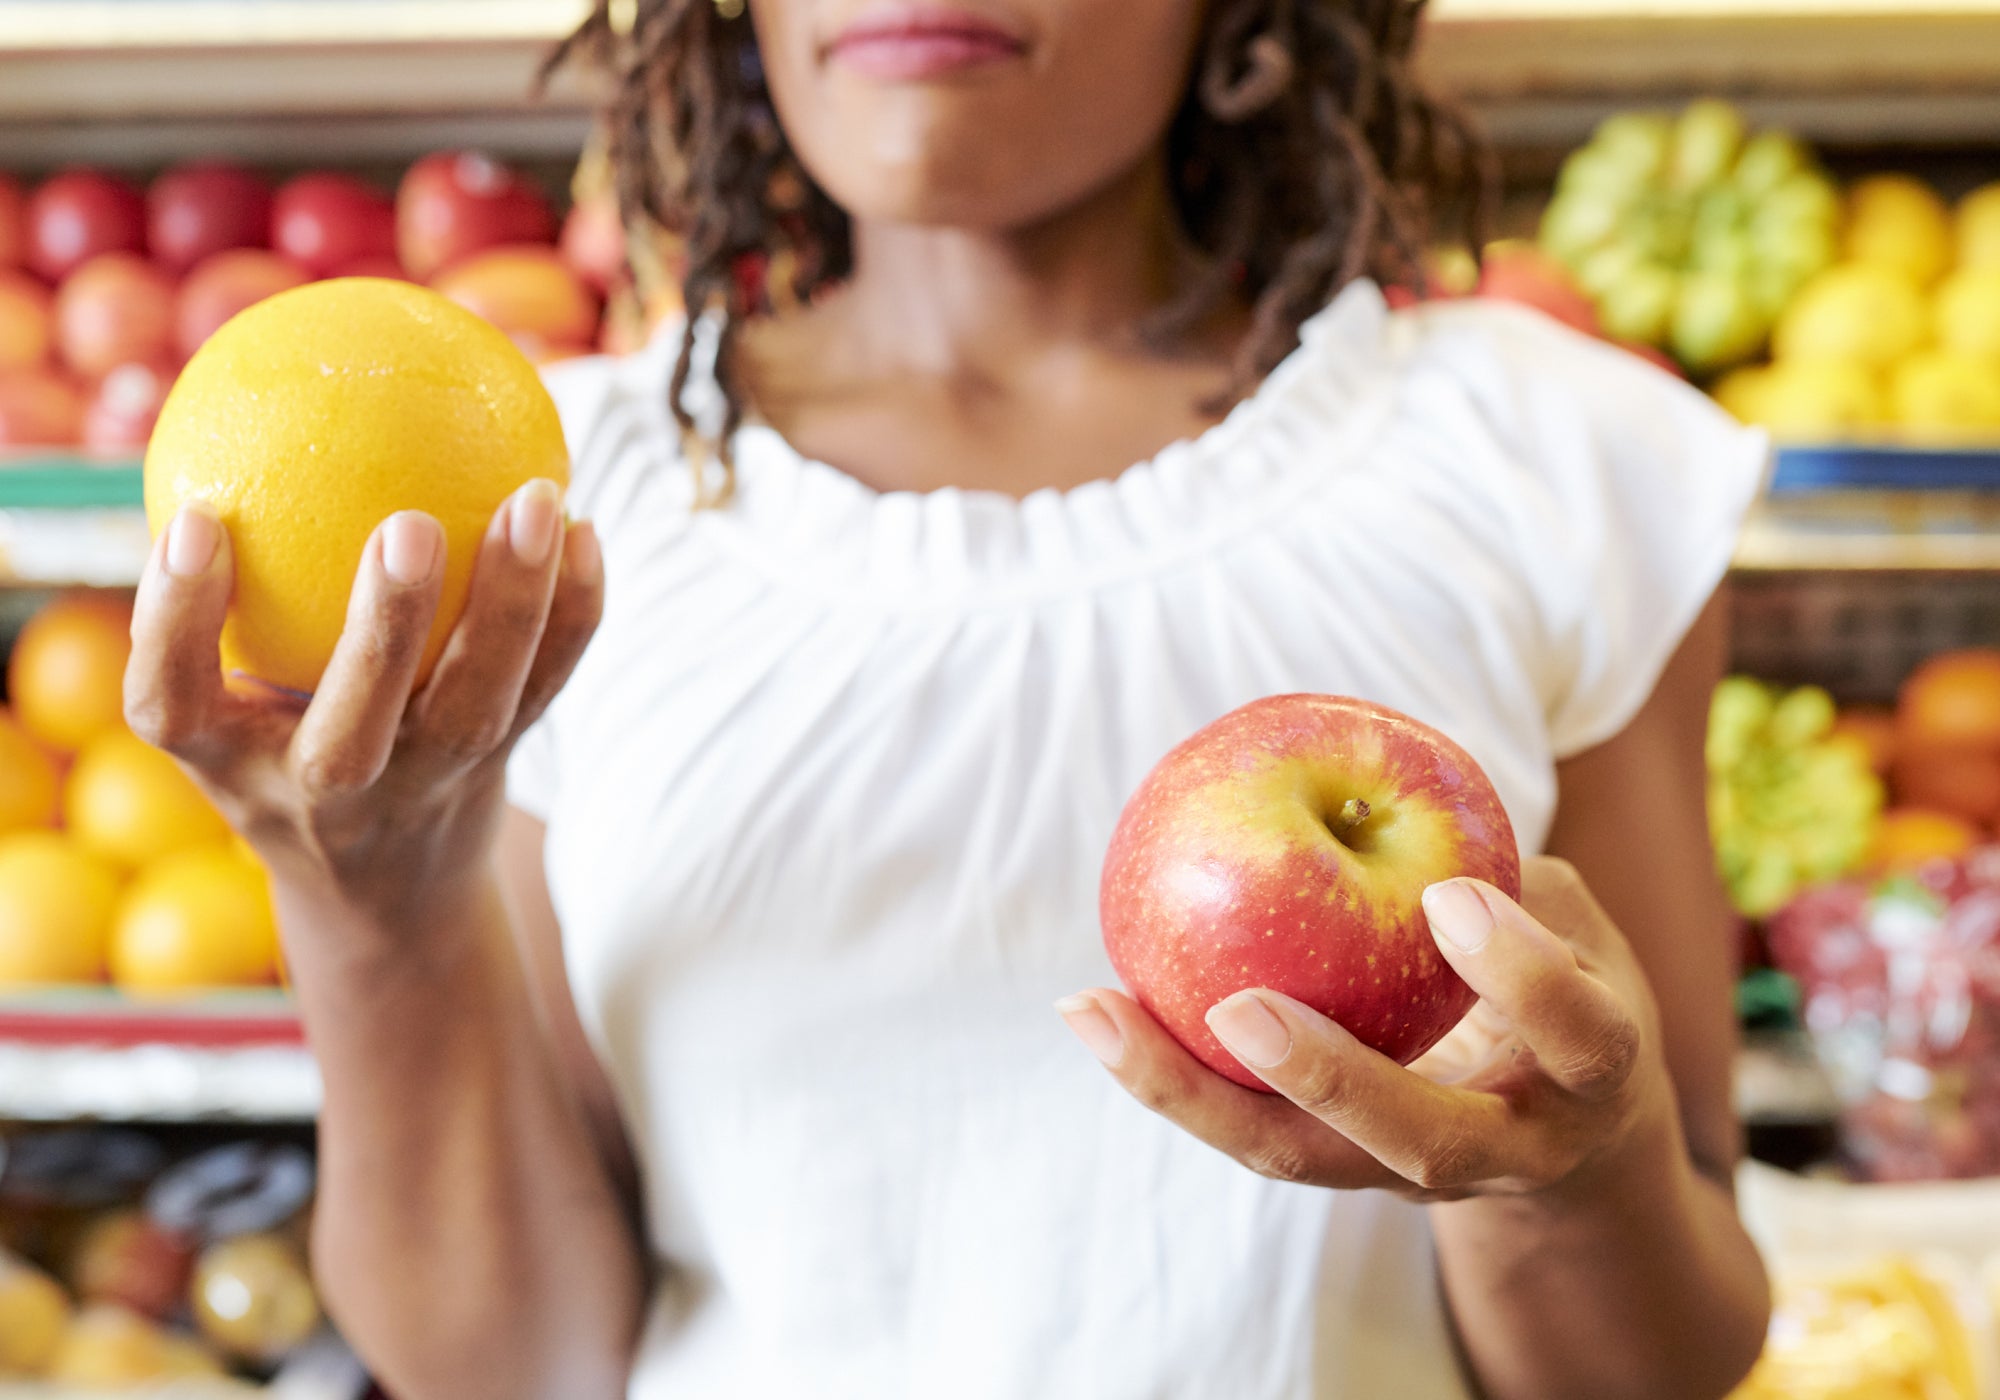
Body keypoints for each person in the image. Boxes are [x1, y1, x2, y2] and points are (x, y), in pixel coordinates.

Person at [126, 0, 1775, 1396]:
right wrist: (379, 907)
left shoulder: (1556, 465)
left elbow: (1665, 1358)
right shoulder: (544, 517)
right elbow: (516, 1364)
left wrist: (1574, 1168)